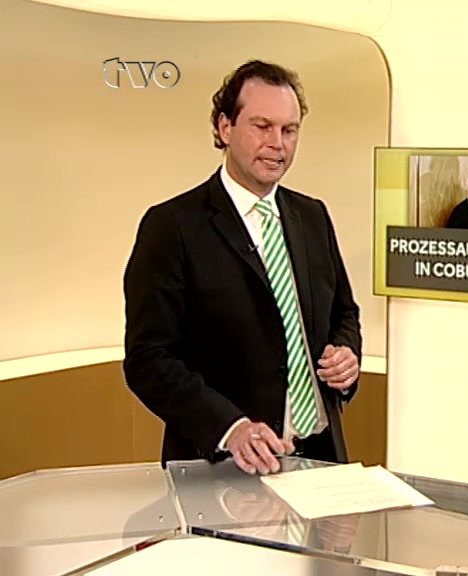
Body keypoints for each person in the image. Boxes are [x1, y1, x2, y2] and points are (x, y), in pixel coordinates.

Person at [122, 59, 363, 476]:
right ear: (225, 128)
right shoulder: (172, 226)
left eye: (289, 130)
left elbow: (344, 312)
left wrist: (346, 354)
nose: (277, 144)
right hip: (223, 467)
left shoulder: (312, 217)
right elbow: (148, 359)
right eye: (262, 126)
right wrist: (230, 428)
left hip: (320, 458)